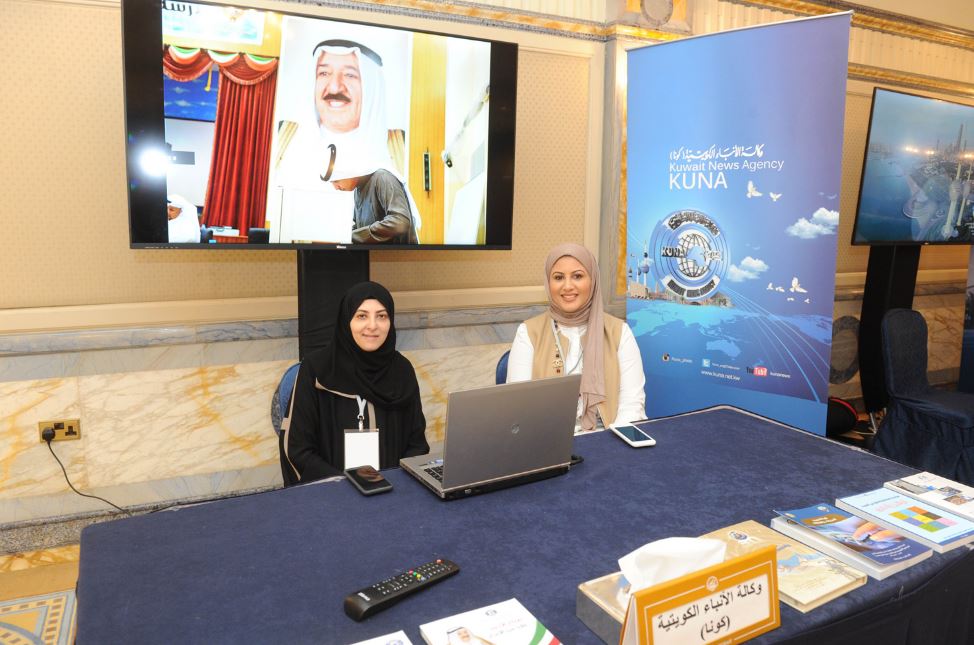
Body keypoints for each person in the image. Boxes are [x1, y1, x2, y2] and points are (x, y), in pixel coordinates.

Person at [282, 282, 429, 484]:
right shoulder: (316, 370)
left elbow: (417, 444)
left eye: (381, 316)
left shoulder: (402, 370)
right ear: (346, 320)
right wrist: (343, 485)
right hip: (333, 492)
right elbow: (296, 449)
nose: (372, 325)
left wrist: (395, 485)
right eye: (361, 316)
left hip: (392, 490)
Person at [506, 243, 646, 433]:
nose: (567, 286)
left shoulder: (619, 332)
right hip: (546, 441)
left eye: (578, 276)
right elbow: (518, 407)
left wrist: (611, 445)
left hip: (607, 438)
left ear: (593, 280)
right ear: (548, 282)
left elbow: (632, 405)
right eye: (558, 277)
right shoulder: (528, 333)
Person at [332, 167, 419, 244]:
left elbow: (400, 222)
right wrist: (343, 236)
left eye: (336, 181)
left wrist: (356, 235)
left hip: (398, 255)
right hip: (375, 255)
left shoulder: (382, 177)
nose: (335, 187)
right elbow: (359, 227)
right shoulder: (358, 190)